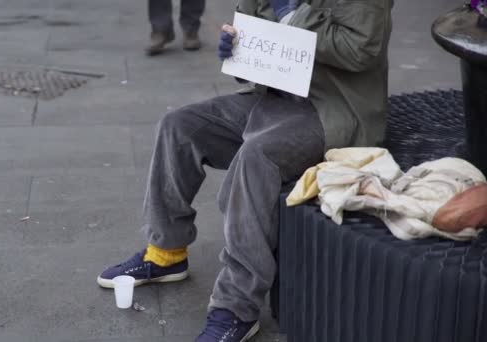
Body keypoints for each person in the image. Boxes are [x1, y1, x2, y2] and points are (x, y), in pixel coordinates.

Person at [99, 0, 393, 340]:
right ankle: (166, 253)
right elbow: (256, 51)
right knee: (179, 126)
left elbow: (361, 49)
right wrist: (237, 51)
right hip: (275, 101)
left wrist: (291, 16)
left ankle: (236, 307)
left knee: (256, 157)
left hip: (336, 111)